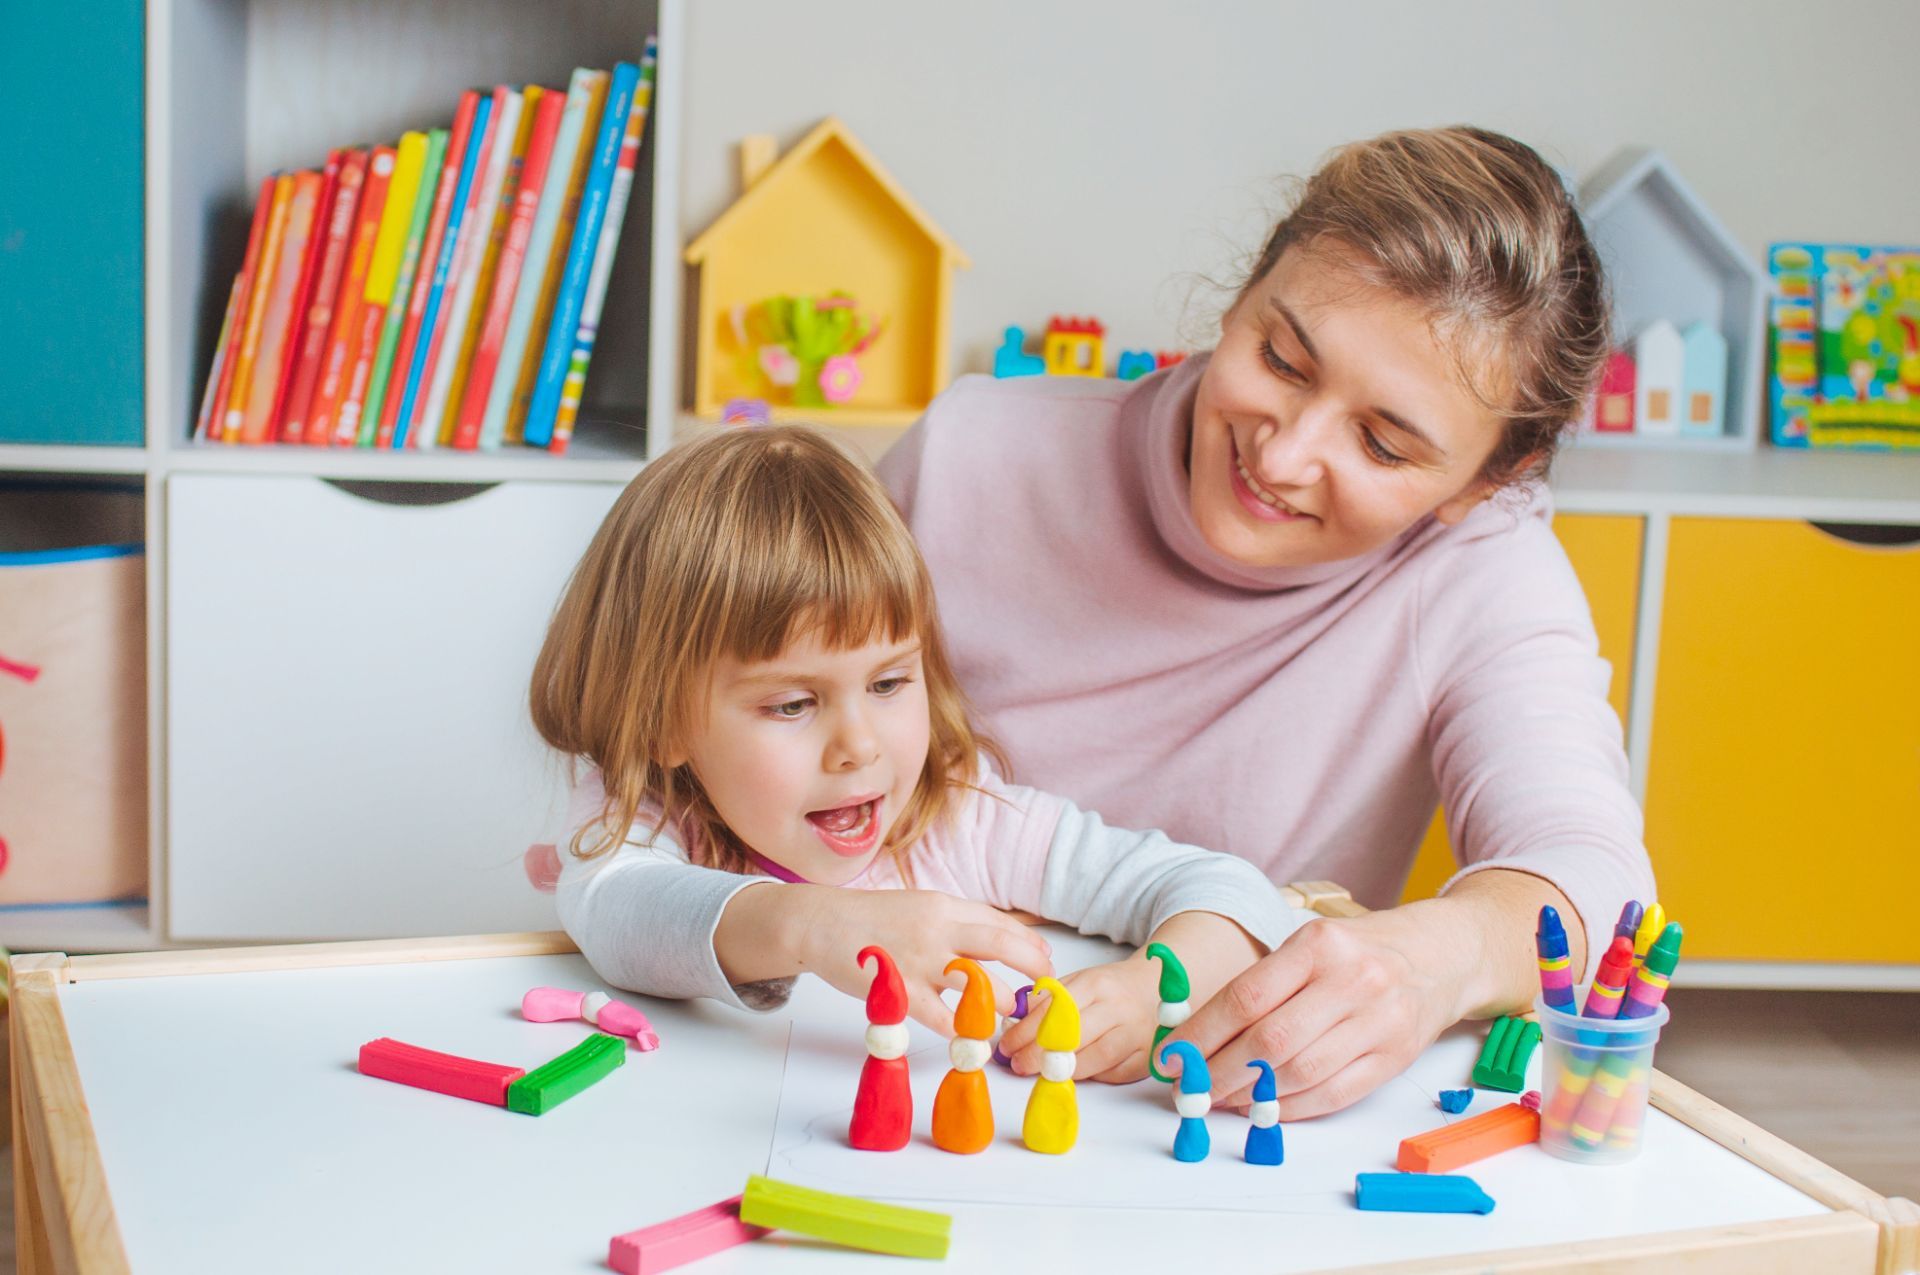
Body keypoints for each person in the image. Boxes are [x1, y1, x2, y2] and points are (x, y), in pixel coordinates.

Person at [882, 126, 1656, 1114]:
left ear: (1487, 480)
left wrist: (1433, 959)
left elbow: (1592, 876)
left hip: (1182, 1108)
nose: (1282, 457)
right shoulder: (968, 456)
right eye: (1283, 360)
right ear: (1245, 290)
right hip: (888, 1049)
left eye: (1383, 445)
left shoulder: (1482, 572)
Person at [527, 425, 1309, 1074]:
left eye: (890, 682)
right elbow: (617, 911)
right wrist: (814, 925)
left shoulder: (960, 819)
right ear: (663, 721)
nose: (859, 745)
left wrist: (1150, 990)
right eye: (793, 703)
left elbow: (1229, 889)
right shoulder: (645, 819)